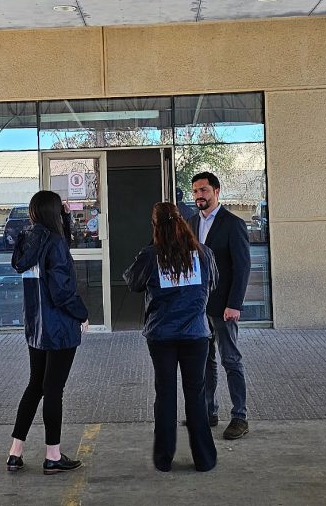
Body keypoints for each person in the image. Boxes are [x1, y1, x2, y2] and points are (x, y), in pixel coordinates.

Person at [124, 202, 218, 472]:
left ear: (155, 226)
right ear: (182, 222)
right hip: (196, 334)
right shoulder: (204, 253)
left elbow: (133, 282)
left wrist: (151, 248)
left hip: (161, 335)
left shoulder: (150, 255)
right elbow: (214, 282)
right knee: (196, 395)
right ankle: (204, 458)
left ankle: (163, 458)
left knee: (165, 394)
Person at [7, 190, 90, 475]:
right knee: (54, 390)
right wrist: (82, 313)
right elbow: (62, 290)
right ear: (54, 211)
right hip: (59, 328)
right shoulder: (54, 243)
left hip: (36, 326)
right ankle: (53, 455)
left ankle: (15, 452)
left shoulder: (27, 241)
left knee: (35, 386)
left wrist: (64, 219)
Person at [187, 172, 251, 440]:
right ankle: (208, 411)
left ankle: (240, 417)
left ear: (216, 191)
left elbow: (242, 267)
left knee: (230, 359)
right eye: (195, 191)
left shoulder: (233, 224)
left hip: (224, 307)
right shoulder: (191, 223)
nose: (199, 195)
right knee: (205, 361)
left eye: (203, 190)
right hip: (199, 307)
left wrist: (234, 304)